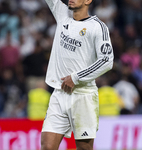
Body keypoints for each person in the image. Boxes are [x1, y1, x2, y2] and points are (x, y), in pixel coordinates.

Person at [41, 0, 114, 149]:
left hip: (83, 95)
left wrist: (76, 77)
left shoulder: (98, 27)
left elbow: (106, 60)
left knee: (84, 148)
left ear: (88, 1)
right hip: (59, 93)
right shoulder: (62, 15)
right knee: (47, 147)